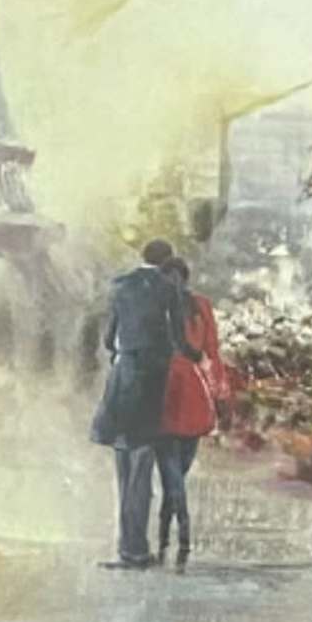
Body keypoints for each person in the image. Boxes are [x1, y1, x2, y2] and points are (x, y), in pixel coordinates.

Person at [90, 236, 191, 572]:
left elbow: (109, 339)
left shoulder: (120, 285)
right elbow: (179, 338)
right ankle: (136, 551)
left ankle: (127, 547)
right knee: (142, 466)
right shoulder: (168, 288)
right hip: (151, 383)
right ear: (167, 261)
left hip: (122, 381)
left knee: (124, 467)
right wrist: (194, 358)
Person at [154, 269, 225, 566]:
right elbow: (212, 351)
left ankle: (175, 532)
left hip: (163, 387)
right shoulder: (201, 306)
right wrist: (219, 393)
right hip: (194, 390)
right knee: (179, 471)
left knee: (170, 470)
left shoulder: (157, 305)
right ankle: (174, 533)